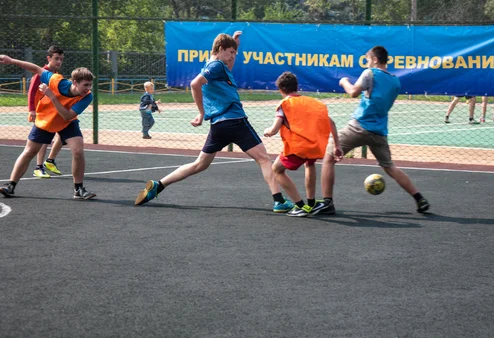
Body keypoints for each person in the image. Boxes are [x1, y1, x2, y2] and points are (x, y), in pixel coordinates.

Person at [134, 31, 293, 212]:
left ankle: (159, 185)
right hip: (235, 121)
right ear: (220, 49)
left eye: (235, 53)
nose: (233, 56)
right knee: (264, 159)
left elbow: (226, 68)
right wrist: (201, 113)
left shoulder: (215, 65)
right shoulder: (217, 65)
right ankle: (279, 201)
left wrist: (235, 45)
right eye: (231, 52)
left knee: (200, 164)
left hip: (219, 125)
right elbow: (195, 84)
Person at [316, 46, 430, 215]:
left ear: (375, 60)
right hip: (379, 131)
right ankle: (419, 198)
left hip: (359, 126)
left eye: (368, 59)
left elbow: (353, 92)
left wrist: (344, 81)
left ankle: (327, 202)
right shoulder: (395, 81)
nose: (367, 62)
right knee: (389, 166)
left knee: (329, 156)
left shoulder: (369, 73)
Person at [0, 54, 96, 200]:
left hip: (67, 122)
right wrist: (11, 60)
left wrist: (52, 97)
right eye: (85, 85)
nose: (88, 88)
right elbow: (36, 69)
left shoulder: (87, 96)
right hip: (47, 119)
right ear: (75, 82)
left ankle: (78, 189)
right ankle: (10, 185)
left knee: (78, 150)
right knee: (30, 152)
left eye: (90, 85)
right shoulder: (56, 81)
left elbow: (67, 116)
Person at [263, 71, 343, 217]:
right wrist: (337, 145)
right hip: (315, 145)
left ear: (281, 90)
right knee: (309, 164)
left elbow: (275, 129)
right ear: (297, 87)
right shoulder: (313, 103)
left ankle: (300, 205)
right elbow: (331, 122)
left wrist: (268, 131)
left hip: (298, 146)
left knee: (277, 169)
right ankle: (311, 203)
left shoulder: (285, 104)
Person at [28, 46, 65, 178]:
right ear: (48, 58)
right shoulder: (42, 72)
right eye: (56, 59)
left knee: (64, 132)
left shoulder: (57, 75)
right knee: (43, 139)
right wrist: (31, 110)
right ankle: (38, 167)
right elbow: (32, 91)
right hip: (41, 111)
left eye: (61, 59)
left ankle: (50, 161)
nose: (59, 62)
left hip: (53, 110)